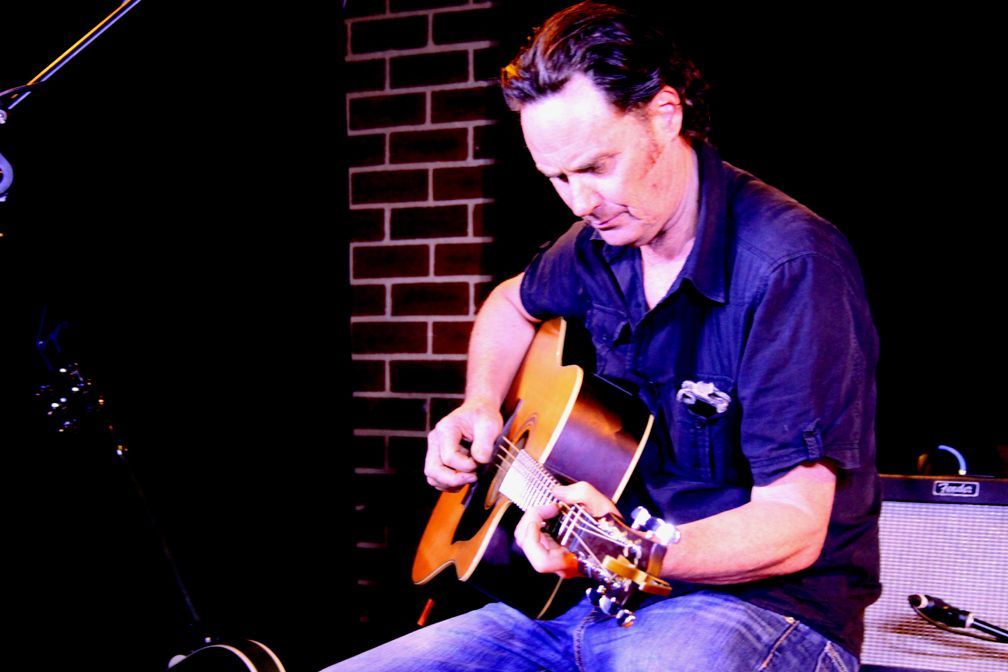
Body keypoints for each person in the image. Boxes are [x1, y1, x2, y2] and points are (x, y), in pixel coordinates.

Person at [325, 2, 880, 670]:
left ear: (664, 116)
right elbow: (509, 305)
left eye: (594, 167)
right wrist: (478, 404)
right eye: (557, 178)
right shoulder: (600, 243)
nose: (580, 203)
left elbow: (795, 524)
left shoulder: (790, 265)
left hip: (759, 611)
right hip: (583, 602)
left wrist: (631, 548)